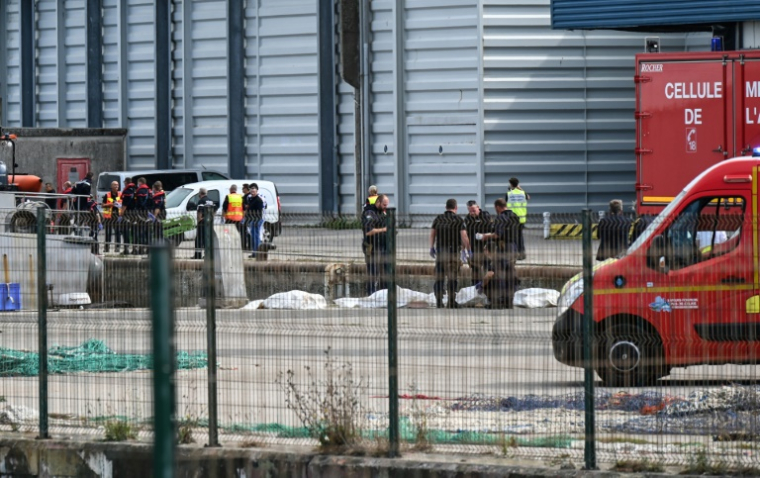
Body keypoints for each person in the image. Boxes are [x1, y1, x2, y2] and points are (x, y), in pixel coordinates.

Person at [476, 198, 520, 309]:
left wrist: (485, 236)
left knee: (498, 275)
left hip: (504, 249)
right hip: (513, 250)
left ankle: (497, 301)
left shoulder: (501, 217)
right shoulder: (514, 216)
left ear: (497, 207)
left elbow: (498, 235)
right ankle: (508, 302)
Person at [429, 198, 471, 309]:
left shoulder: (439, 219)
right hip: (453, 253)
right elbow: (464, 236)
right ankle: (451, 302)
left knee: (439, 277)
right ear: (455, 208)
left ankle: (439, 301)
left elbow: (433, 233)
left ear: (446, 207)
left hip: (441, 252)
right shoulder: (458, 220)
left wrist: (431, 247)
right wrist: (468, 250)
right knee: (452, 277)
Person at [362, 193, 389, 295]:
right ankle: (371, 294)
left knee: (386, 270)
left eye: (387, 205)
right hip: (371, 246)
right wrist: (384, 229)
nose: (386, 207)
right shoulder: (370, 213)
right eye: (384, 205)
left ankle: (384, 293)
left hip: (382, 245)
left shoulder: (382, 213)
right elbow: (368, 231)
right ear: (378, 202)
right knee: (372, 271)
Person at [464, 200, 493, 286]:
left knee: (487, 265)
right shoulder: (468, 219)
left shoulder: (485, 215)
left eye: (473, 210)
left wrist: (485, 238)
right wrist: (466, 249)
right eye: (470, 210)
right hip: (474, 246)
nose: (472, 212)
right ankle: (475, 286)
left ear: (478, 207)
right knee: (475, 267)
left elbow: (492, 231)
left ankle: (489, 284)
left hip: (485, 245)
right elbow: (465, 234)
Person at [506, 177, 529, 260]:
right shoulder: (522, 193)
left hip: (512, 218)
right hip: (522, 218)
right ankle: (522, 253)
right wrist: (520, 188)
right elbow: (528, 197)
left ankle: (515, 254)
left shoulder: (509, 194)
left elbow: (505, 204)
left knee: (513, 237)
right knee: (520, 237)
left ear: (511, 184)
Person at [194, 188, 216, 259]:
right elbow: (213, 212)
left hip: (202, 222)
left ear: (200, 194)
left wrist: (199, 220)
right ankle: (207, 254)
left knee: (198, 240)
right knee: (207, 239)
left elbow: (200, 212)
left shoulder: (201, 201)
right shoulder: (211, 201)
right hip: (209, 222)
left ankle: (198, 255)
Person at [245, 183, 265, 258]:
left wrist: (257, 220)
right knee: (253, 237)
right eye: (251, 190)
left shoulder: (258, 200)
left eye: (254, 190)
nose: (252, 191)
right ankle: (254, 252)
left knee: (256, 237)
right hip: (252, 219)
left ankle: (257, 253)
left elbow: (259, 212)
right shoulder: (251, 199)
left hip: (256, 220)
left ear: (257, 191)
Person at [101, 180, 123, 253]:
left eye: (117, 185)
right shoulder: (107, 195)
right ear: (111, 186)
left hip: (117, 215)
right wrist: (110, 205)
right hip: (109, 216)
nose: (116, 186)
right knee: (108, 232)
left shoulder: (120, 194)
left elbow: (123, 204)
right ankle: (106, 247)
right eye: (114, 185)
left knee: (118, 232)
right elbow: (102, 205)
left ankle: (117, 247)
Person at [133, 177, 153, 254]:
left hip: (141, 213)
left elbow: (140, 203)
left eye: (138, 183)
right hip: (148, 214)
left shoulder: (140, 190)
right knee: (148, 232)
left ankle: (141, 249)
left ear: (140, 182)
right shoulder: (149, 190)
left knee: (140, 232)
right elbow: (151, 202)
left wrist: (141, 210)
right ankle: (149, 249)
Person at [120, 177, 136, 254]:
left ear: (126, 182)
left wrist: (121, 213)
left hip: (127, 213)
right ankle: (135, 248)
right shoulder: (136, 189)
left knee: (125, 231)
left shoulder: (127, 191)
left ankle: (126, 249)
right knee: (134, 231)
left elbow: (125, 203)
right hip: (135, 213)